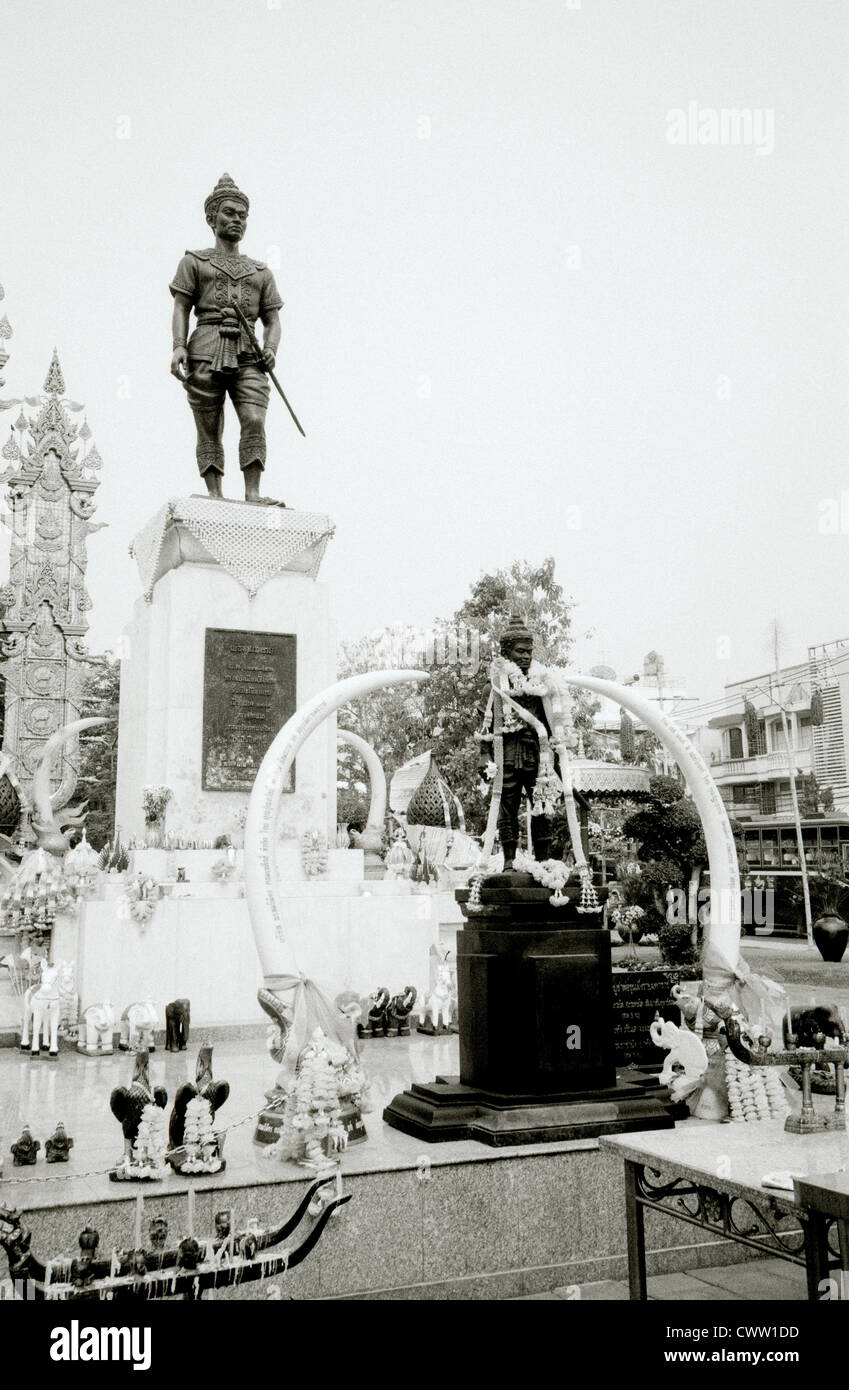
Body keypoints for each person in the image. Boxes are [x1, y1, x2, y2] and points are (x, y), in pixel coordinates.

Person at [170, 173, 283, 502]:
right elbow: (181, 307)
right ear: (211, 218)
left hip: (249, 352)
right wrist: (178, 346)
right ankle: (215, 493)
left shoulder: (261, 272)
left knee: (253, 418)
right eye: (229, 213)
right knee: (208, 423)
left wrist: (271, 347)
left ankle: (253, 492)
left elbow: (273, 319)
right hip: (205, 345)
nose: (237, 220)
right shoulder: (194, 261)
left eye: (242, 215)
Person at [477, 614, 553, 868]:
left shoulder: (540, 687)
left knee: (542, 807)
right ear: (506, 652)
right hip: (505, 757)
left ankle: (543, 861)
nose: (525, 657)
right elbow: (484, 729)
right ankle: (509, 860)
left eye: (529, 652)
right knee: (507, 809)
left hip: (535, 757)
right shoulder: (493, 688)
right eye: (520, 652)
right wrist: (484, 757)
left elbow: (551, 727)